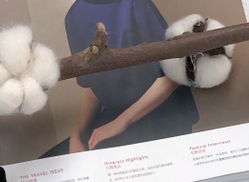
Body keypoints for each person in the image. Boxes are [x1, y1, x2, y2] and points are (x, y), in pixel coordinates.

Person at [41, 0, 199, 157]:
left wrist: (120, 123)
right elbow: (93, 85)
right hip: (117, 120)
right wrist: (77, 134)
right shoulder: (74, 15)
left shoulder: (135, 4)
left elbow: (174, 73)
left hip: (163, 116)